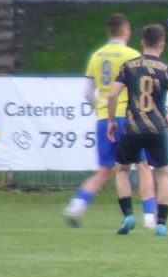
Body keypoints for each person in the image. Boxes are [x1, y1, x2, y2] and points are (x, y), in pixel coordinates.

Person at [64, 13, 157, 229]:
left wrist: (100, 109)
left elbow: (88, 92)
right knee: (143, 166)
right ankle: (149, 217)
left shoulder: (97, 56)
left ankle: (76, 206)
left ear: (109, 31)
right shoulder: (133, 55)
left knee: (106, 169)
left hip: (105, 118)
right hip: (130, 118)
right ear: (126, 31)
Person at [106, 24, 168, 236]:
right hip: (158, 128)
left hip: (133, 127)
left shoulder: (129, 66)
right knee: (162, 174)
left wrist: (111, 121)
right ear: (162, 44)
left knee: (122, 169)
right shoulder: (167, 69)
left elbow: (112, 95)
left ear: (143, 42)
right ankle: (161, 223)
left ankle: (128, 215)